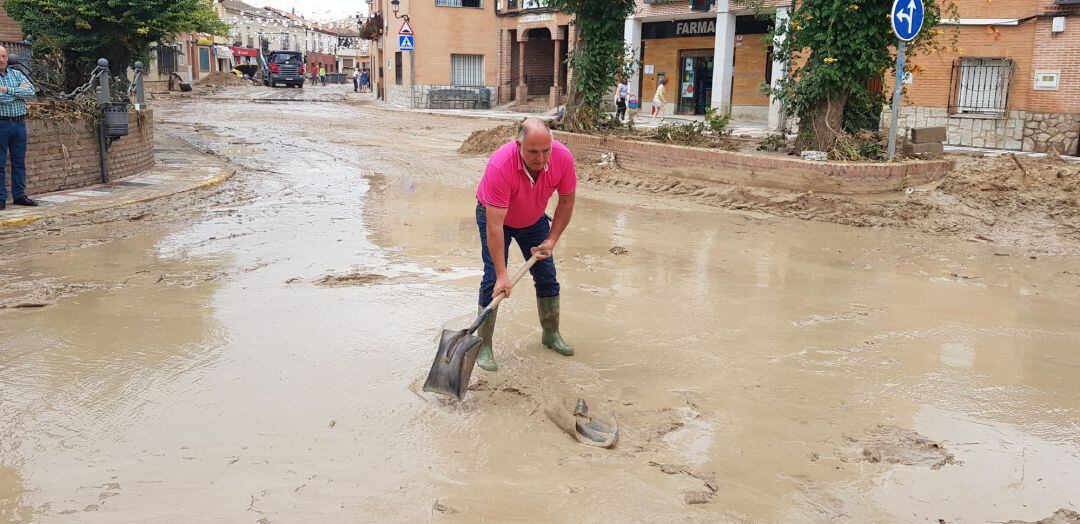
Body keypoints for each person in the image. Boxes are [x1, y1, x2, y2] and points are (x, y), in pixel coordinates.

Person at [473, 117, 576, 372]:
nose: (540, 158)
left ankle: (550, 334)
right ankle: (483, 345)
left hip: (533, 219)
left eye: (546, 151)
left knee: (547, 276)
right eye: (532, 152)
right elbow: (496, 227)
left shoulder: (563, 158)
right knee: (491, 281)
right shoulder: (500, 165)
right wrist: (501, 275)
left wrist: (551, 240)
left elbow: (566, 202)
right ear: (518, 144)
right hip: (497, 218)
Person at [0, 46, 37, 211]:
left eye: (3, 56)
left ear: (7, 57)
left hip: (19, 124)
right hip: (2, 124)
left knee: (19, 161)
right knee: (0, 162)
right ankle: (1, 198)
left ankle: (19, 195)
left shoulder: (17, 74)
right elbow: (3, 99)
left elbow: (30, 91)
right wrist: (17, 94)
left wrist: (7, 90)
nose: (1, 59)